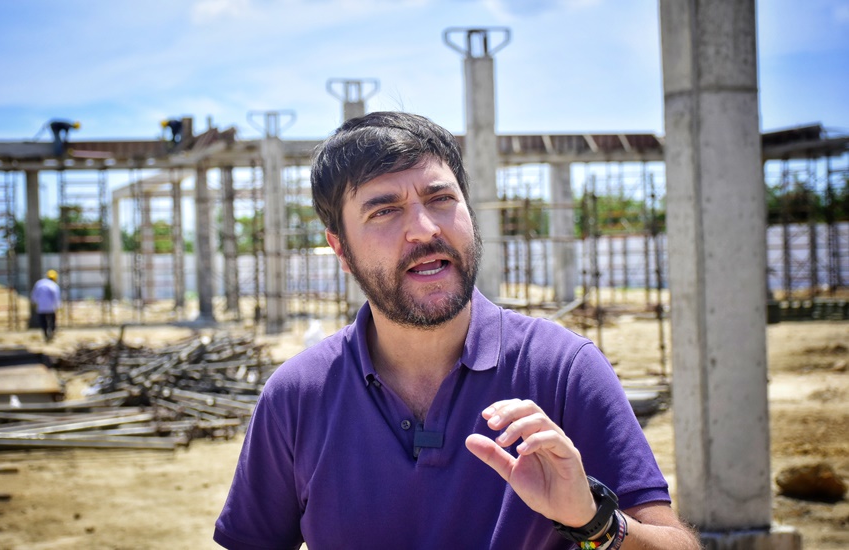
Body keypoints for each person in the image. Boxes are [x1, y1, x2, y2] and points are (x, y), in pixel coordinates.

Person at [214, 112, 700, 549]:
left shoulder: (561, 370)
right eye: (384, 210)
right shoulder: (297, 395)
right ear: (339, 249)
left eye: (440, 198)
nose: (424, 229)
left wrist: (593, 520)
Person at [31, 269, 61, 341]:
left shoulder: (39, 283)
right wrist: (58, 306)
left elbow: (34, 295)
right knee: (52, 321)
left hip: (41, 306)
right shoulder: (54, 285)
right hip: (51, 307)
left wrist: (34, 303)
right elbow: (56, 297)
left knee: (43, 321)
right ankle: (52, 333)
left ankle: (45, 334)